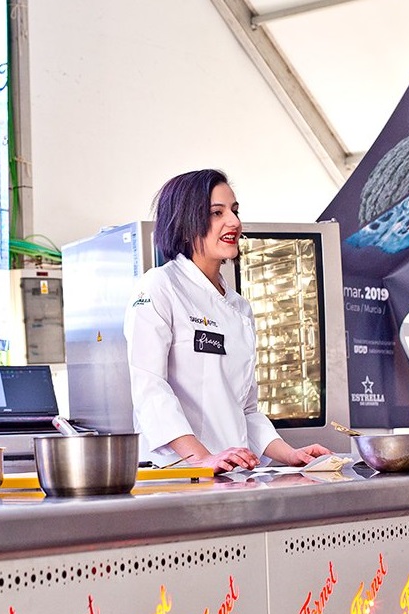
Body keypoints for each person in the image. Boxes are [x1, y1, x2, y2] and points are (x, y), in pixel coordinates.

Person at [123, 169, 331, 474]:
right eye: (216, 212)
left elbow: (245, 411)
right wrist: (202, 460)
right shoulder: (158, 287)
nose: (233, 222)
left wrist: (291, 455)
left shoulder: (239, 308)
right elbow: (150, 388)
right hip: (179, 476)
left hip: (233, 474)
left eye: (234, 211)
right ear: (184, 223)